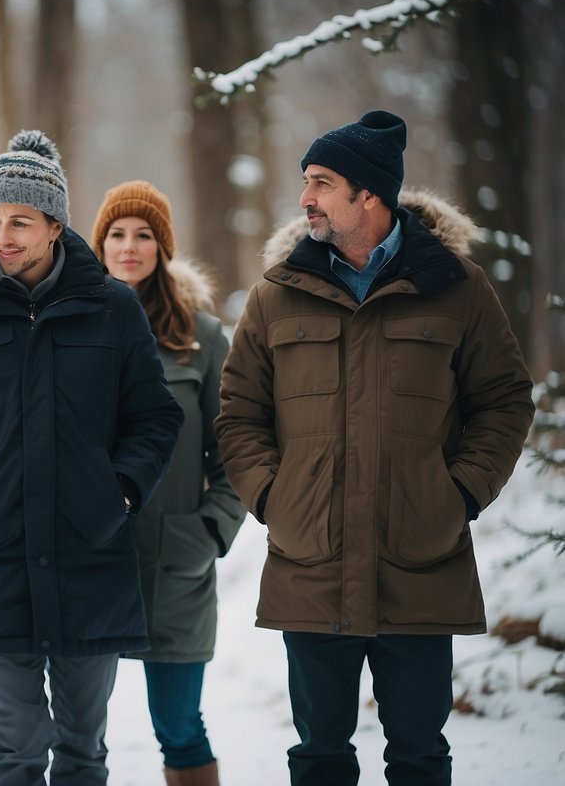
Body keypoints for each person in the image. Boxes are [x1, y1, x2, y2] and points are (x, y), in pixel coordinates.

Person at [215, 110, 535, 786]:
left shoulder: (455, 289)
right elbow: (239, 412)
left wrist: (459, 494)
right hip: (310, 560)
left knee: (419, 756)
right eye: (305, 182)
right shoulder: (276, 296)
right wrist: (274, 498)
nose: (305, 198)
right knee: (319, 757)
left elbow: (503, 400)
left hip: (419, 560)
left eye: (321, 183)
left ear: (369, 195)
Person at [0, 130, 185, 786]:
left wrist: (121, 491)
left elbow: (154, 418)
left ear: (54, 226)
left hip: (89, 556)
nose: (2, 236)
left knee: (82, 754)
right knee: (15, 753)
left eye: (19, 221)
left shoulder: (110, 308)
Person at [90, 180, 246, 786]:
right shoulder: (71, 328)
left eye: (144, 235)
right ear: (99, 244)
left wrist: (209, 532)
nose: (129, 247)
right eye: (117, 235)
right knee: (77, 730)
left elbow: (233, 451)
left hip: (174, 563)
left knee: (179, 723)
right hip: (88, 558)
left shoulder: (202, 338)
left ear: (164, 247)